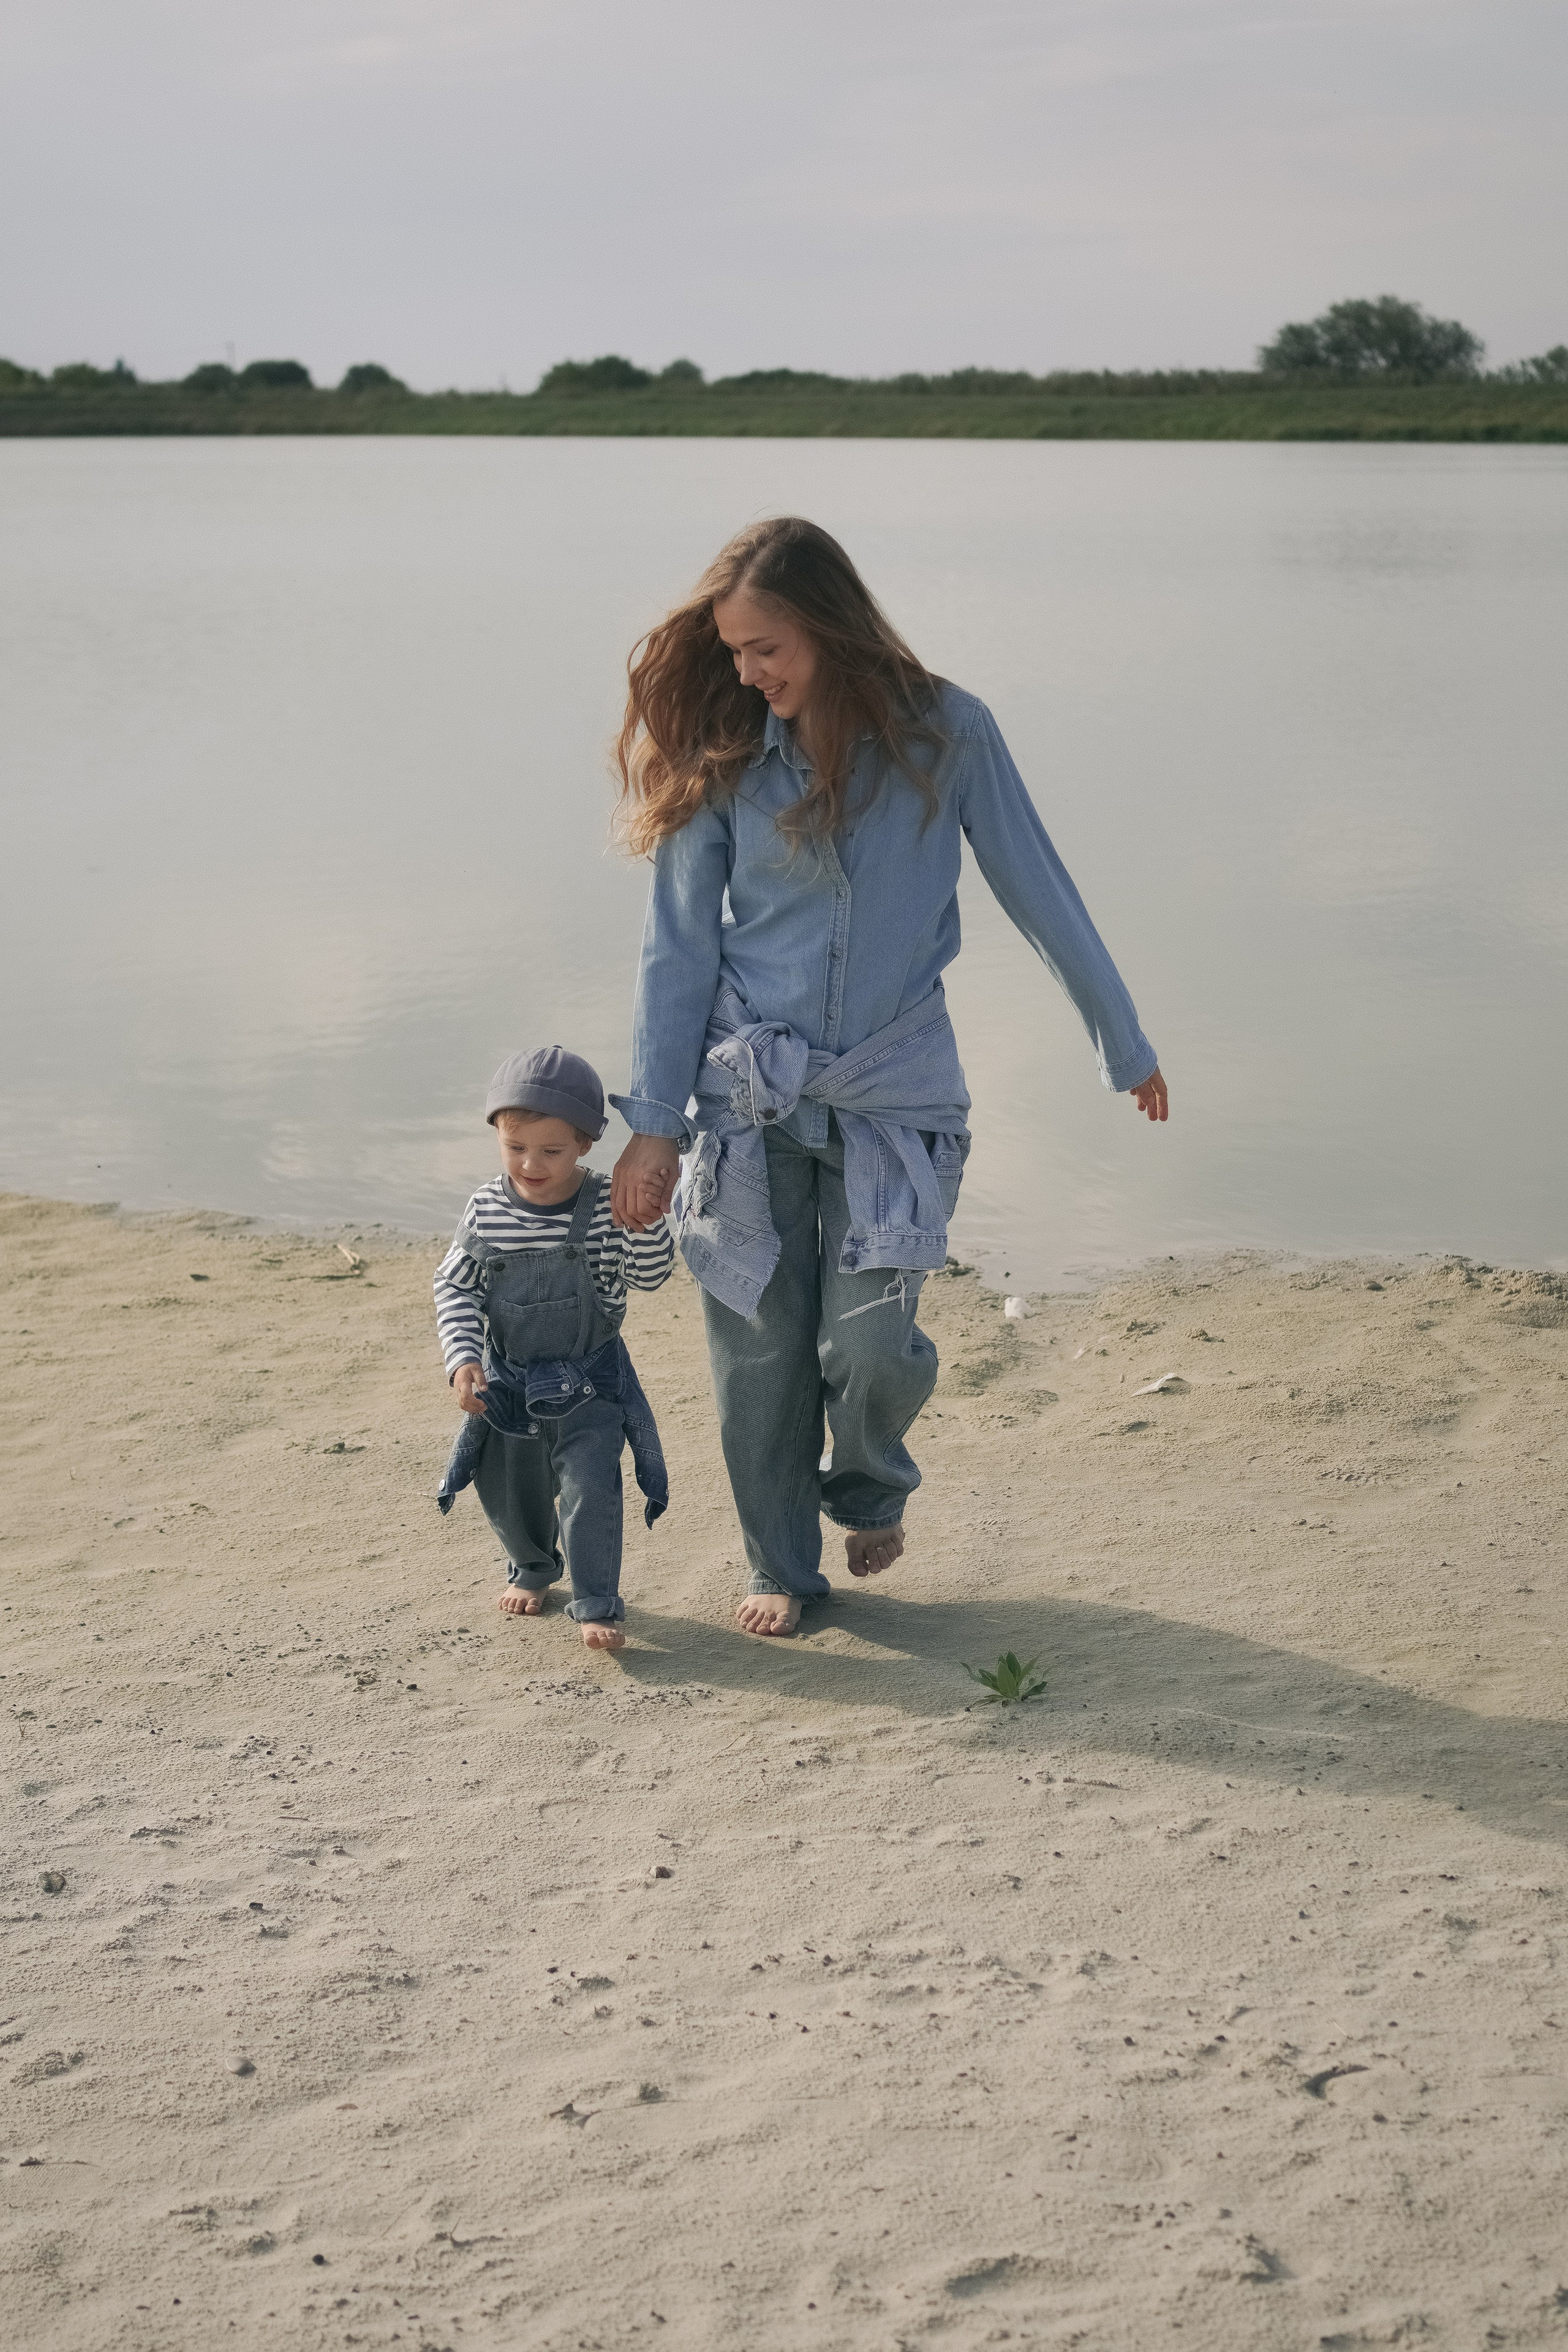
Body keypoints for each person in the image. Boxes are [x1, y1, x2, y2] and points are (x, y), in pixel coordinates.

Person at [608, 518, 1167, 1638]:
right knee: (760, 1359)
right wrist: (656, 1123)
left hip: (894, 1096)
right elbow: (679, 949)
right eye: (734, 652)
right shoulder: (727, 754)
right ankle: (782, 1566)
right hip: (749, 1097)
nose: (749, 673)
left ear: (826, 621)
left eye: (767, 647)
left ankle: (866, 1485)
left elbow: (1037, 888)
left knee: (868, 1341)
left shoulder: (948, 733)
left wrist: (1123, 1040)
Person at [434, 1046, 673, 1651]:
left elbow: (647, 1280)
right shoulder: (487, 1210)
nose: (531, 1165)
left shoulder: (603, 1207)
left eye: (551, 1151)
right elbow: (455, 1287)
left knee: (592, 1487)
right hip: (507, 1379)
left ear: (587, 1144)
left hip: (590, 1379)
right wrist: (463, 1360)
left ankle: (596, 1603)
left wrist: (647, 1225)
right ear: (497, 1136)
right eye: (516, 1149)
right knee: (512, 1491)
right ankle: (534, 1567)